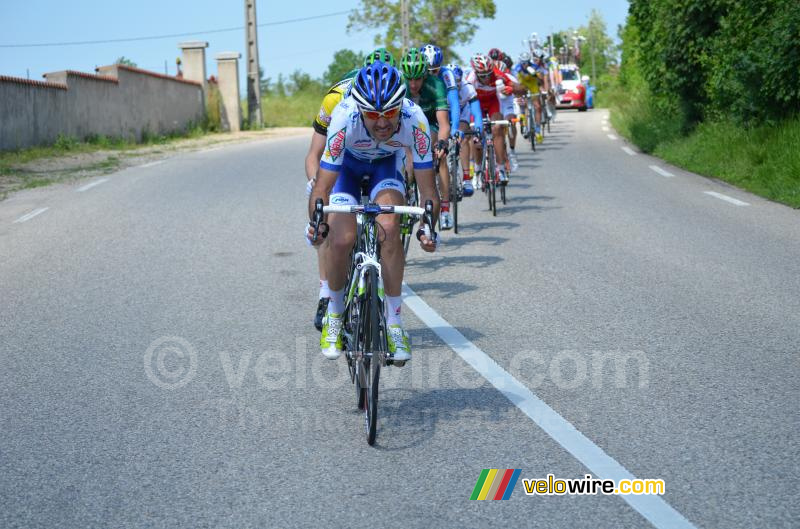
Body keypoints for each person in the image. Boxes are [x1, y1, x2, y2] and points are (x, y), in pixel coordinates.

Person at [307, 61, 439, 362]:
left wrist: (428, 227)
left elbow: (428, 188)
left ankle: (394, 324)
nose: (382, 123)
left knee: (390, 228)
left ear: (401, 107)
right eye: (373, 115)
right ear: (359, 110)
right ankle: (336, 316)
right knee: (341, 239)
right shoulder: (344, 117)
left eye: (389, 114)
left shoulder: (414, 119)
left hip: (385, 168)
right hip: (347, 171)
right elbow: (322, 186)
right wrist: (317, 223)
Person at [304, 49, 395, 331]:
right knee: (328, 224)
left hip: (381, 159)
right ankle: (325, 293)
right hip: (340, 160)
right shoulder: (336, 100)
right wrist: (317, 189)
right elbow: (314, 154)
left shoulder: (395, 96)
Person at [400, 48, 455, 230]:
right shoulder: (401, 85)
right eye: (410, 79)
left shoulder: (436, 85)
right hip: (406, 124)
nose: (413, 84)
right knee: (407, 161)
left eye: (417, 79)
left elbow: (444, 124)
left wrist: (442, 143)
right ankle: (405, 195)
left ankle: (445, 207)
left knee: (437, 155)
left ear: (425, 76)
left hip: (430, 124)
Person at [464, 53, 523, 186]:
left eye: (488, 74)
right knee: (476, 136)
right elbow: (464, 101)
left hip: (492, 103)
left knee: (498, 128)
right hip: (476, 104)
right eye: (482, 75)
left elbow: (522, 89)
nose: (486, 78)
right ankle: (478, 170)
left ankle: (501, 168)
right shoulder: (470, 79)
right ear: (476, 72)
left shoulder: (497, 75)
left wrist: (512, 88)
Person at [445, 63, 483, 197]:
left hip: (462, 114)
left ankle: (467, 178)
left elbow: (477, 113)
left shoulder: (468, 88)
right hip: (444, 114)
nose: (456, 86)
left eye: (458, 83)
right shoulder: (441, 86)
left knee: (462, 137)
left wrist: (478, 130)